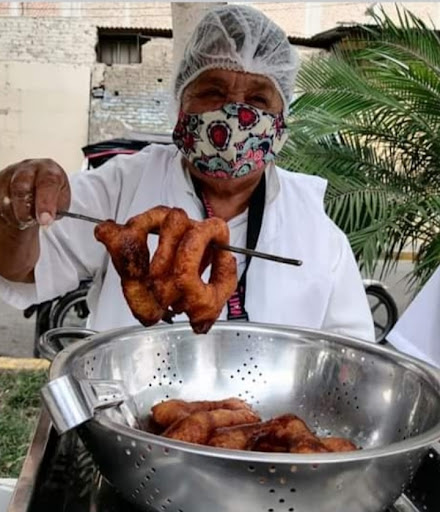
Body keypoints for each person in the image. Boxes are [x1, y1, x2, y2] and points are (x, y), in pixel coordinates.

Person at [0, 5, 375, 341]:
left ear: (280, 122)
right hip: (124, 411)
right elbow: (23, 268)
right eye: (213, 91)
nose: (235, 114)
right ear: (181, 104)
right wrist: (15, 215)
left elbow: (349, 360)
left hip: (262, 416)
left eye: (258, 99)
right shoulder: (122, 185)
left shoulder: (317, 232)